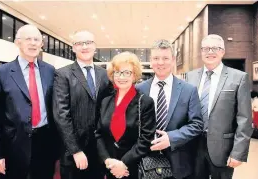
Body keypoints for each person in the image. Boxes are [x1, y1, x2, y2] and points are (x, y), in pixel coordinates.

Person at [0, 24, 58, 179]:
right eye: (28, 39)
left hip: (45, 144)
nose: (33, 43)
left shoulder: (50, 70)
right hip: (14, 146)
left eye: (36, 39)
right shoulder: (1, 73)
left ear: (41, 44)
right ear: (17, 42)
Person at [186, 34, 253, 179]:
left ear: (223, 51)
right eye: (206, 48)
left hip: (223, 149)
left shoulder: (238, 78)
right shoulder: (190, 77)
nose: (210, 52)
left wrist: (238, 153)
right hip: (193, 146)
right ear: (201, 52)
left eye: (215, 48)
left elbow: (245, 119)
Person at [136, 39, 203, 179]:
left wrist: (171, 138)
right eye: (156, 58)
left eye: (165, 58)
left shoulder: (188, 90)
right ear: (151, 60)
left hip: (178, 162)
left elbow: (197, 124)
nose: (160, 63)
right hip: (144, 161)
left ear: (173, 60)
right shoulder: (138, 89)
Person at [53, 30, 113, 179]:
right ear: (73, 48)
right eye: (79, 43)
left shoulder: (105, 75)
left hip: (100, 151)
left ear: (95, 46)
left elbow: (110, 109)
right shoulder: (62, 74)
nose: (84, 46)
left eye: (88, 42)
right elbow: (61, 114)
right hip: (74, 152)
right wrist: (75, 150)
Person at [95, 52, 156, 179]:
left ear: (134, 75)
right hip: (110, 167)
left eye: (127, 72)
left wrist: (123, 164)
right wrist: (107, 160)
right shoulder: (106, 101)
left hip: (133, 167)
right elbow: (98, 133)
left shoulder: (145, 102)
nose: (121, 77)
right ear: (112, 75)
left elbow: (146, 139)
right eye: (117, 72)